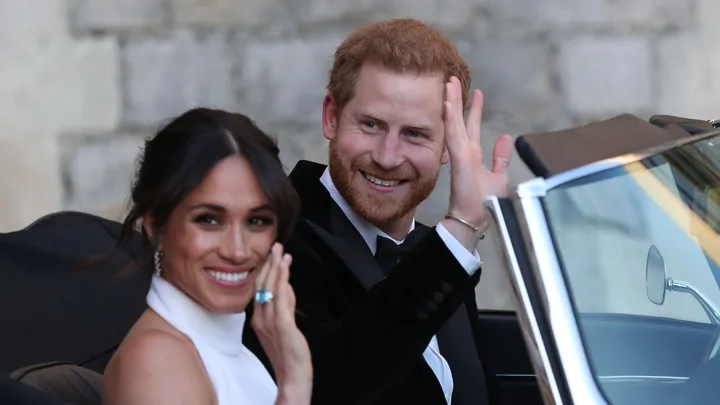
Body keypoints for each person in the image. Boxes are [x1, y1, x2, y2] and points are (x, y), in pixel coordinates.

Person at [243, 18, 514, 405]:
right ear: (331, 117)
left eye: (415, 134)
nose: (388, 157)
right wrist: (461, 228)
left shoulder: (436, 252)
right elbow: (332, 384)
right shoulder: (273, 237)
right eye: (371, 125)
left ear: (446, 149)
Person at [101, 108, 313, 405]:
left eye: (257, 221)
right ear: (155, 226)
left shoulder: (230, 350)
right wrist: (294, 384)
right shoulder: (158, 359)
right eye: (209, 220)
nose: (237, 251)